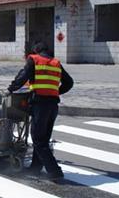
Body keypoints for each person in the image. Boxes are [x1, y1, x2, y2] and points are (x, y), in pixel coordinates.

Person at [5, 42, 73, 181]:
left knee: (38, 139)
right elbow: (69, 82)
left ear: (35, 51)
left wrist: (10, 89)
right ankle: (36, 167)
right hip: (53, 105)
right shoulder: (56, 63)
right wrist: (56, 92)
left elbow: (22, 77)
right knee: (44, 138)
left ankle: (54, 171)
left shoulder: (34, 60)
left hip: (40, 105)